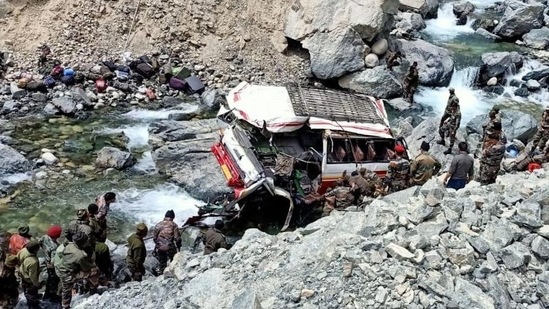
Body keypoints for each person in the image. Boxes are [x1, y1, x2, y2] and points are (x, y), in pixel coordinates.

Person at [55, 231, 99, 309]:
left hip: (60, 268)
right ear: (83, 243)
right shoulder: (80, 255)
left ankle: (62, 301)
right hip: (68, 274)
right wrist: (92, 263)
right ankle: (93, 288)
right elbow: (86, 268)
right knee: (94, 271)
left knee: (65, 287)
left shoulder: (69, 244)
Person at [153, 210, 181, 274]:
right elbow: (177, 238)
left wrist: (159, 245)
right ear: (173, 217)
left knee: (162, 262)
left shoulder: (158, 225)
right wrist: (178, 247)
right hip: (170, 247)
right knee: (173, 260)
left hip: (160, 247)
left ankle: (162, 273)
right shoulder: (174, 225)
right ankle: (172, 272)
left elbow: (154, 238)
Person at [41, 225, 62, 303]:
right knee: (53, 281)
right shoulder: (54, 247)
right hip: (51, 266)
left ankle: (46, 295)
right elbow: (53, 262)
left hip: (45, 260)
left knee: (48, 282)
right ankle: (53, 297)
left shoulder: (44, 237)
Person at [18, 240, 42, 308]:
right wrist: (37, 284)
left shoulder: (23, 251)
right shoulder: (33, 261)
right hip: (29, 281)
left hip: (23, 275)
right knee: (31, 295)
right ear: (35, 250)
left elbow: (18, 259)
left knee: (26, 292)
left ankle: (30, 300)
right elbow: (33, 276)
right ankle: (33, 305)